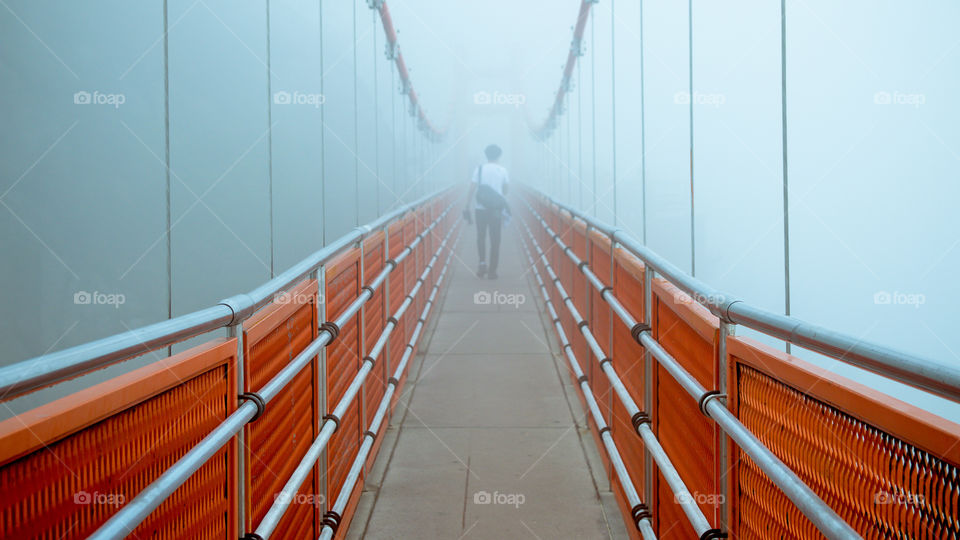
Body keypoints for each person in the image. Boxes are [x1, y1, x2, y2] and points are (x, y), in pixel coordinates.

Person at [465, 144, 510, 279]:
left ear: (486, 155)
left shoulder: (479, 170)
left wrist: (467, 205)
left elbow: (472, 188)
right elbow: (506, 191)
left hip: (480, 209)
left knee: (481, 236)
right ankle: (492, 271)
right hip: (496, 210)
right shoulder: (503, 171)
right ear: (499, 156)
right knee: (495, 239)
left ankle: (482, 263)